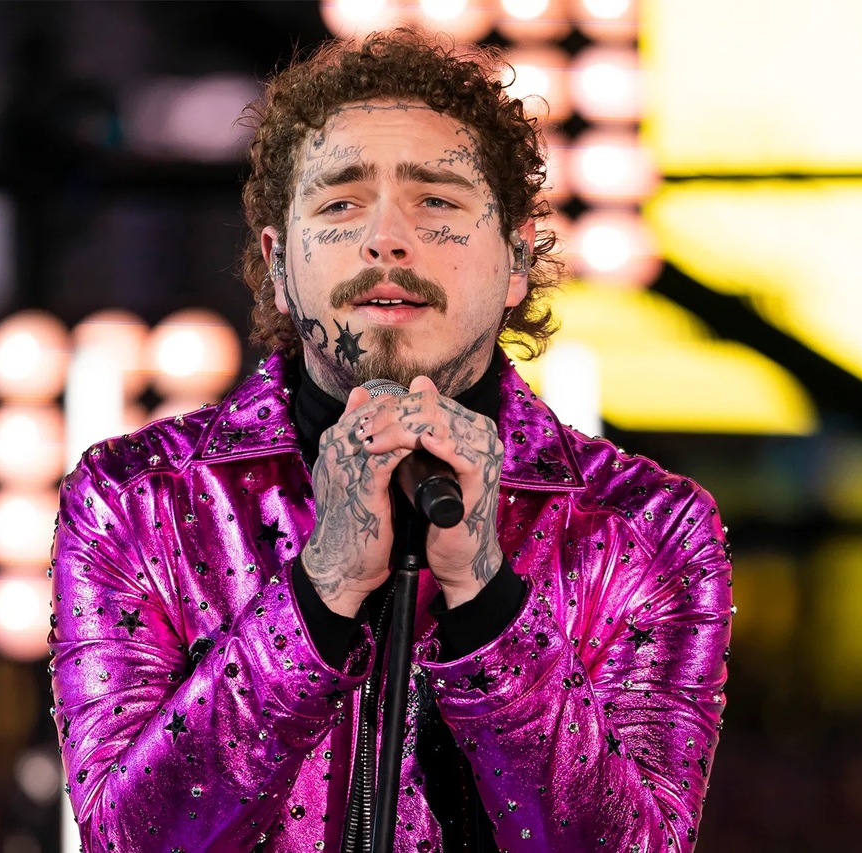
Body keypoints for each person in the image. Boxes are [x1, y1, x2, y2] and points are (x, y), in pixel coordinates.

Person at [49, 29, 731, 852]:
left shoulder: (646, 527)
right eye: (340, 204)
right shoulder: (136, 500)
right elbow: (130, 839)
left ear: (516, 258)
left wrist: (487, 598)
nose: (386, 239)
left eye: (436, 202)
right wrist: (320, 588)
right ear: (278, 263)